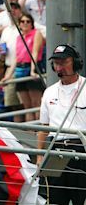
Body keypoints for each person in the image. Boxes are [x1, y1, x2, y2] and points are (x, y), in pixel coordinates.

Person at [38, 44, 86, 204]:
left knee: (81, 198)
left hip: (81, 149)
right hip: (55, 149)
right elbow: (43, 128)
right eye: (57, 63)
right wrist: (39, 156)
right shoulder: (49, 92)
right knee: (56, 199)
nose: (60, 67)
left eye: (64, 62)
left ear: (76, 63)